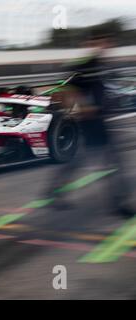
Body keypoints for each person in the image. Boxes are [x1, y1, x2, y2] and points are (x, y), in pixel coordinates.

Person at [45, 30, 134, 217]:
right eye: (100, 42)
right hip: (91, 121)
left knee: (87, 161)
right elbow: (68, 85)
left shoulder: (101, 65)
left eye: (106, 43)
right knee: (111, 161)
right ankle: (119, 204)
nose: (104, 46)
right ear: (91, 44)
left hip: (100, 120)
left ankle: (54, 191)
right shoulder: (84, 64)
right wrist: (84, 106)